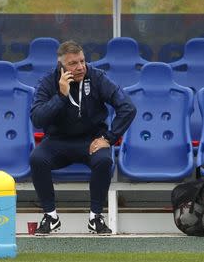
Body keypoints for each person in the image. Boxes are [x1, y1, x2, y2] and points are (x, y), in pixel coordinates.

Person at [29, 40, 136, 235]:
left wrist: (109, 138)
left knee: (104, 160)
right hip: (57, 141)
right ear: (61, 65)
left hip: (91, 141)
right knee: (37, 158)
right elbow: (37, 118)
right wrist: (60, 96)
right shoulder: (48, 82)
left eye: (82, 61)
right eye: (73, 63)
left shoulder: (96, 77)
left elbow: (128, 107)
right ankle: (51, 216)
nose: (80, 67)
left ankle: (95, 217)